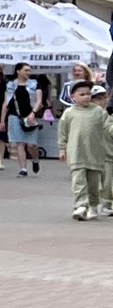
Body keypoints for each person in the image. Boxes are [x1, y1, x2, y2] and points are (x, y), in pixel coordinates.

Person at [58, 74, 113, 219]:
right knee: (79, 180)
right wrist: (62, 148)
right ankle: (80, 205)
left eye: (88, 94)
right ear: (73, 97)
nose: (86, 97)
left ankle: (93, 206)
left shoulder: (98, 111)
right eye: (82, 94)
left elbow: (108, 126)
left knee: (93, 183)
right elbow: (63, 132)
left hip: (94, 154)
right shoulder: (69, 113)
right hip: (76, 153)